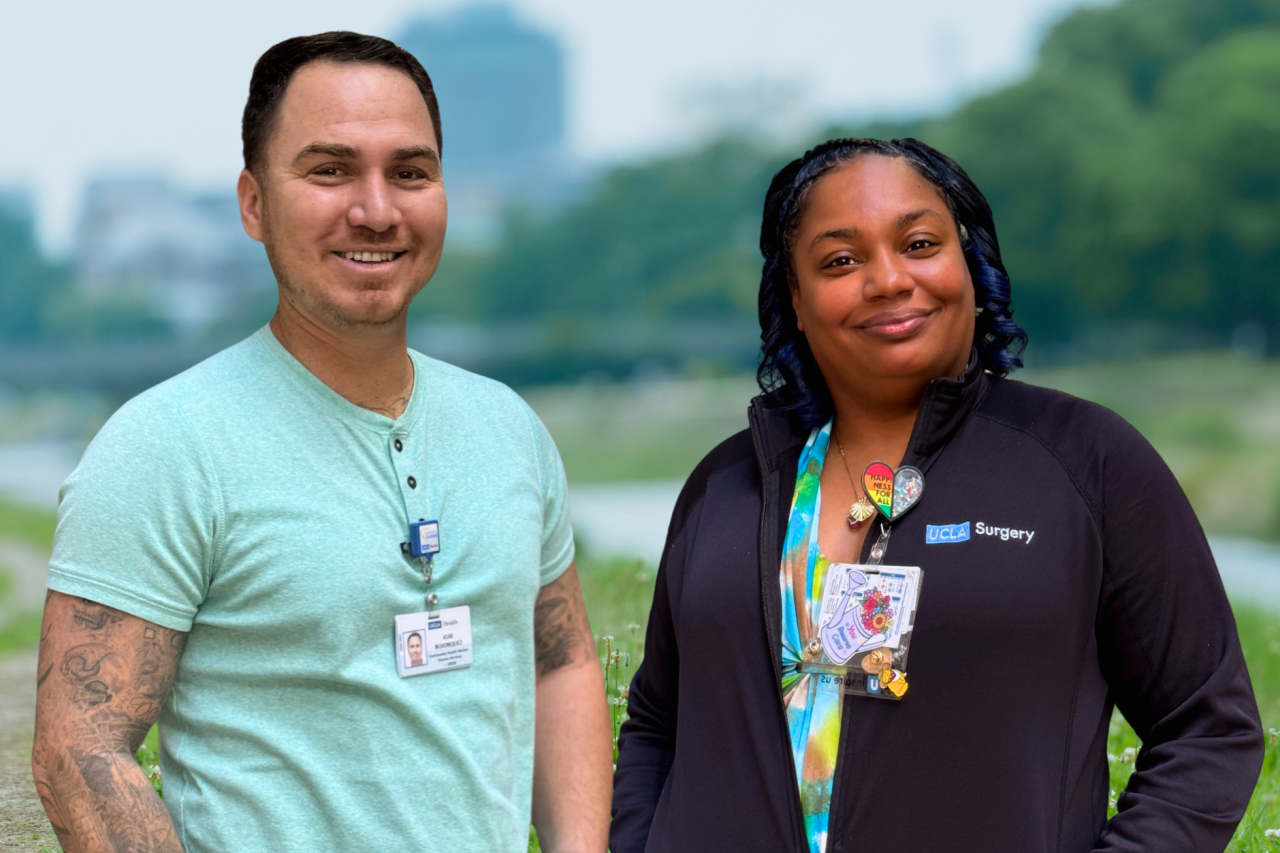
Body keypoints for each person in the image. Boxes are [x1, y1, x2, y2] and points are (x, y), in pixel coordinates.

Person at [33, 31, 611, 853]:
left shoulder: (507, 426)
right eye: (329, 170)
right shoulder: (165, 446)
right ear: (254, 203)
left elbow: (560, 660)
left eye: (409, 172)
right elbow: (78, 748)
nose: (376, 209)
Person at [611, 137, 1264, 853]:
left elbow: (1209, 726)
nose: (888, 279)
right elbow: (656, 724)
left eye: (919, 243)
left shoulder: (1087, 460)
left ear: (971, 263)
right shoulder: (724, 486)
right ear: (795, 299)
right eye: (840, 260)